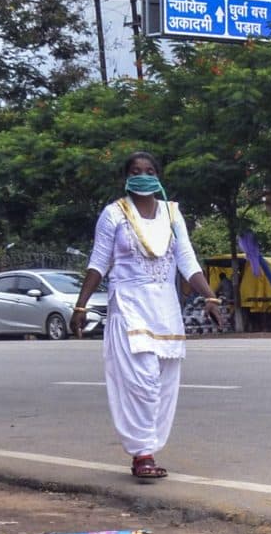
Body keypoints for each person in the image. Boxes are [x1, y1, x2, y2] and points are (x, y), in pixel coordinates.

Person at [69, 152, 223, 480]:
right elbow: (98, 262)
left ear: (158, 176)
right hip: (128, 306)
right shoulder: (114, 214)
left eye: (149, 170)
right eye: (136, 171)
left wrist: (210, 296)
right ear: (126, 177)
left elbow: (187, 260)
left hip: (165, 311)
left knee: (163, 383)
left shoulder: (172, 213)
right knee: (143, 381)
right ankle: (143, 454)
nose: (143, 175)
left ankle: (150, 446)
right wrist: (80, 306)